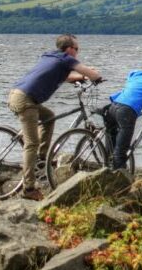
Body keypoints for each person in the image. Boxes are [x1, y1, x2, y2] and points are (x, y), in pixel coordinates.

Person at [8, 35, 101, 198]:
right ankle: (28, 189)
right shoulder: (66, 59)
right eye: (77, 49)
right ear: (69, 49)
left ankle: (42, 159)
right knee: (31, 143)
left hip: (19, 94)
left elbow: (64, 76)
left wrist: (80, 77)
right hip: (26, 100)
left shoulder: (51, 56)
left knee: (49, 117)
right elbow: (90, 73)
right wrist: (95, 76)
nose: (77, 53)